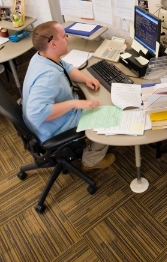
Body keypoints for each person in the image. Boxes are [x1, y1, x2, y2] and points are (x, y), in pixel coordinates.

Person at [22, 21, 115, 171]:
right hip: (51, 128)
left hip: (44, 122)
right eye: (64, 36)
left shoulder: (41, 56)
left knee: (92, 101)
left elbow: (66, 67)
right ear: (52, 44)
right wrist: (74, 104)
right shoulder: (48, 77)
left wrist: (86, 79)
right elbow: (36, 114)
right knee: (108, 114)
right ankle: (91, 161)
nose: (67, 39)